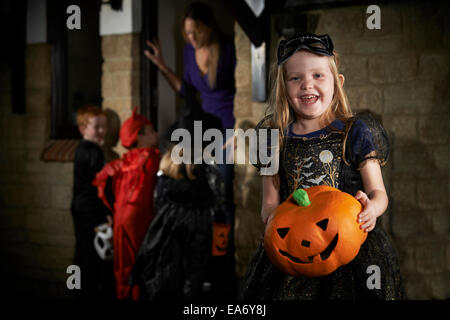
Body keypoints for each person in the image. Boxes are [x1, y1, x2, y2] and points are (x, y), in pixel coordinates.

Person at [240, 32, 405, 300]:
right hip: (293, 249)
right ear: (284, 85)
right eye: (296, 78)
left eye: (318, 75)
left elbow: (379, 193)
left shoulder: (355, 132)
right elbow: (269, 204)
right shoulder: (272, 137)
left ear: (336, 81)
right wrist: (272, 227)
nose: (307, 85)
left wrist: (372, 208)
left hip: (350, 247)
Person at [144, 4, 237, 285]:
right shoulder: (188, 51)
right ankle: (196, 258)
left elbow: (245, 90)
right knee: (194, 185)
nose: (192, 38)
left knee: (223, 190)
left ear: (209, 26)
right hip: (201, 127)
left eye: (195, 32)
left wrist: (238, 130)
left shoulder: (230, 49)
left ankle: (224, 258)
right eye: (187, 34)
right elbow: (187, 91)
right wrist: (162, 66)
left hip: (227, 128)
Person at [130, 83, 231, 301]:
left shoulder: (167, 163)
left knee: (170, 266)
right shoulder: (205, 164)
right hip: (198, 224)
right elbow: (218, 196)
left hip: (170, 221)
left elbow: (158, 197)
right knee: (194, 272)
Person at [92, 108, 160, 300]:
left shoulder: (123, 161)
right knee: (142, 264)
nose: (156, 134)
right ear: (139, 136)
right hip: (140, 219)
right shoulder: (151, 157)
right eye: (152, 131)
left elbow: (103, 185)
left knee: (123, 265)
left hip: (120, 217)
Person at [71, 104, 115, 299]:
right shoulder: (92, 151)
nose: (101, 131)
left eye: (103, 126)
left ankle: (78, 288)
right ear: (83, 129)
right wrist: (107, 211)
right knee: (93, 254)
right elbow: (100, 185)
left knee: (83, 251)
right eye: (96, 127)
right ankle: (84, 290)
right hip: (91, 210)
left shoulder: (83, 149)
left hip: (81, 208)